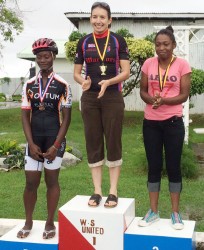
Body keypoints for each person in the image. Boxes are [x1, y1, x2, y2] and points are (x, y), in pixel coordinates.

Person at [74, 2, 130, 208]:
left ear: (109, 20)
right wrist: (83, 82)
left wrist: (109, 82)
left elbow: (125, 72)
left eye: (102, 17)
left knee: (113, 140)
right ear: (90, 19)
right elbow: (76, 73)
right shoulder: (83, 42)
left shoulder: (118, 41)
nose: (98, 21)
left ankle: (113, 191)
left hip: (113, 96)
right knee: (93, 141)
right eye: (94, 17)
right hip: (90, 98)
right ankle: (97, 191)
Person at [17, 38, 72, 239]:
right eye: (39, 57)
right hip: (34, 139)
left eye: (46, 56)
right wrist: (30, 143)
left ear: (53, 57)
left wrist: (56, 145)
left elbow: (67, 118)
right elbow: (24, 115)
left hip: (54, 140)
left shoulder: (62, 85)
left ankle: (50, 223)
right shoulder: (29, 85)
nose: (43, 60)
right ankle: (28, 222)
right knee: (30, 183)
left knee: (52, 182)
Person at [139, 26, 191, 230]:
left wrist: (165, 101)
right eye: (158, 44)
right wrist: (151, 99)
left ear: (173, 45)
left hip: (173, 123)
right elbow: (143, 91)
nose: (161, 48)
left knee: (173, 166)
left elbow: (184, 95)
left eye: (166, 44)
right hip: (151, 123)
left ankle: (175, 213)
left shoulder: (182, 65)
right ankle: (153, 211)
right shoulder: (148, 64)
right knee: (153, 166)